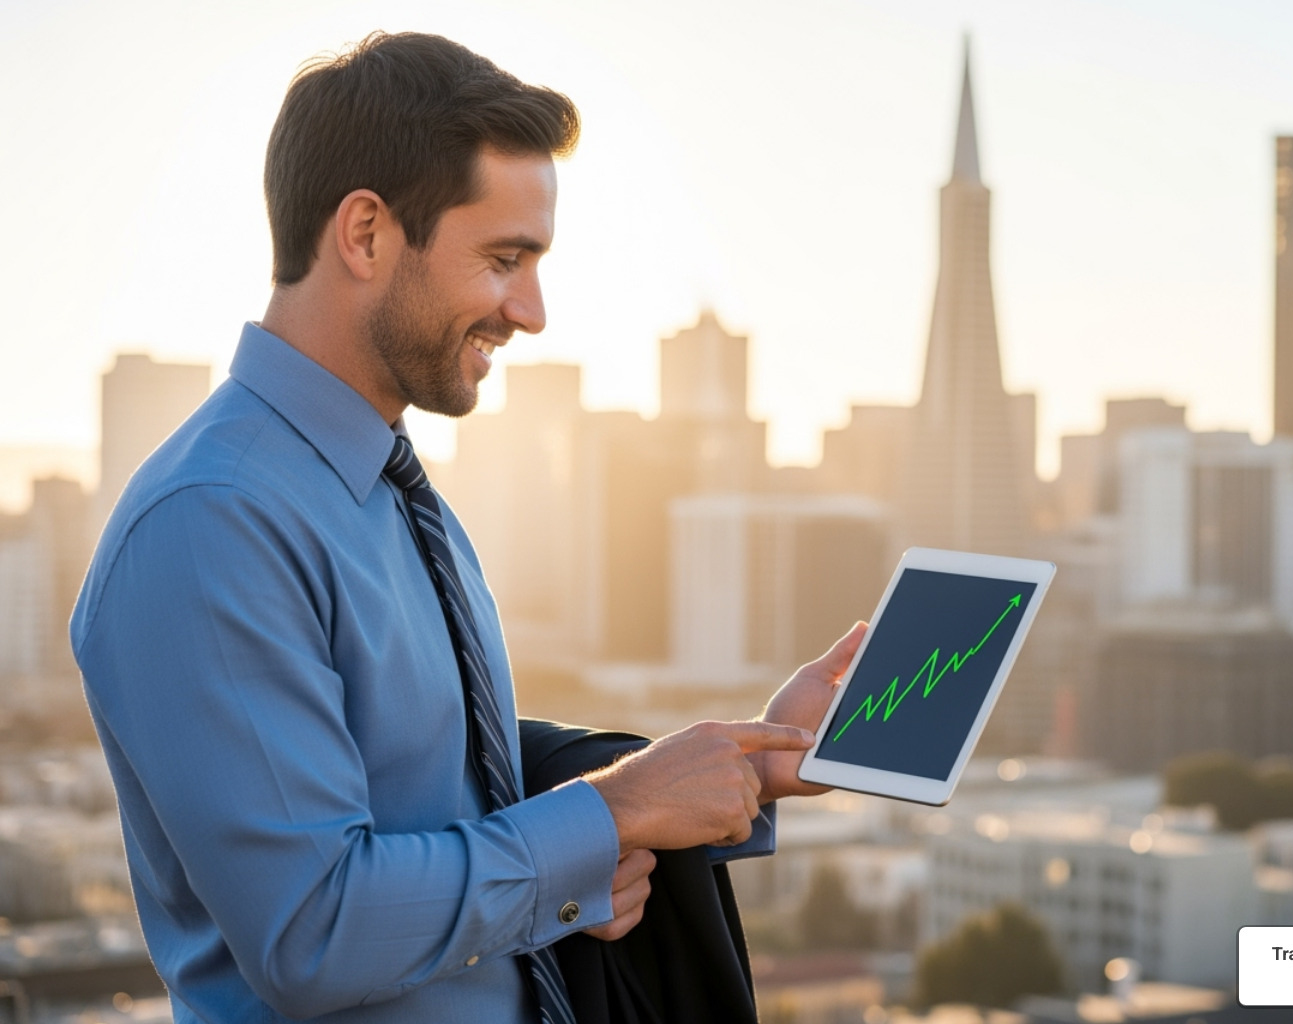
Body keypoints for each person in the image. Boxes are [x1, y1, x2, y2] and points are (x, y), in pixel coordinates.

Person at [70, 31, 865, 1023]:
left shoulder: (394, 495)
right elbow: (312, 930)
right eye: (502, 259)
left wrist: (735, 765)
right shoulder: (213, 523)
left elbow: (446, 773)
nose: (529, 312)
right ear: (364, 234)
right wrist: (609, 815)